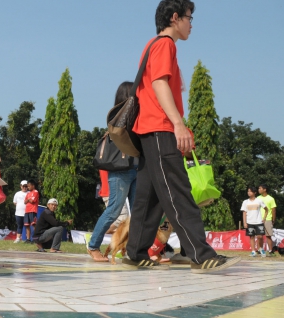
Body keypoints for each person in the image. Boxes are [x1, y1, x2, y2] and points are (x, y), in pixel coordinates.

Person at [125, 0, 240, 272]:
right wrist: (178, 124)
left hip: (148, 130)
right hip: (160, 128)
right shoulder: (166, 44)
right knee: (178, 191)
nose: (191, 25)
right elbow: (159, 82)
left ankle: (135, 252)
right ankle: (201, 254)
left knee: (149, 196)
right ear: (175, 18)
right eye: (189, 18)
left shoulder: (151, 45)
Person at [87, 82, 137, 262]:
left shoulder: (137, 115)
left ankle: (135, 250)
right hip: (120, 170)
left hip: (136, 167)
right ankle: (93, 246)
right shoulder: (117, 116)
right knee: (114, 210)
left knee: (139, 211)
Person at [241, 187, 269, 257]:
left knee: (260, 236)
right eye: (248, 191)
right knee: (252, 237)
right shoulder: (245, 202)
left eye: (250, 191)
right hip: (249, 222)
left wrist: (264, 218)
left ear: (254, 193)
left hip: (259, 221)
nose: (249, 193)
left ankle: (261, 249)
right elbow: (244, 212)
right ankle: (253, 251)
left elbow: (266, 209)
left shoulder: (259, 201)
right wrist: (244, 222)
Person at [257, 184, 277, 257]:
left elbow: (273, 210)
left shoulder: (270, 198)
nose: (258, 189)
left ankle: (270, 250)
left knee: (268, 236)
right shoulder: (258, 198)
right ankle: (260, 250)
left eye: (260, 188)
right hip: (259, 219)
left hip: (268, 219)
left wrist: (273, 219)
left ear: (264, 189)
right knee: (259, 236)